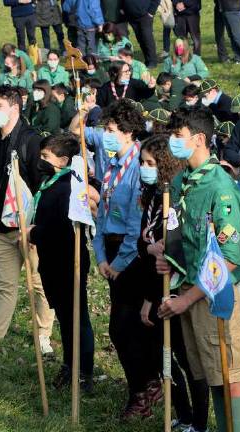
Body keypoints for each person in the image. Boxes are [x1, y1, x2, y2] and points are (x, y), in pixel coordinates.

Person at [154, 107, 240, 431]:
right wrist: (168, 258)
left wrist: (188, 298)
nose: (172, 142)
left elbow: (228, 257)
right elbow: (182, 235)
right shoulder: (183, 180)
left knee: (230, 376)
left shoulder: (220, 185)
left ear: (199, 139)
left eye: (177, 137)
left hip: (213, 297)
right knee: (211, 376)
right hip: (187, 290)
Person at [73, 99, 150, 415]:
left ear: (129, 133)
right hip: (113, 251)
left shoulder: (138, 167)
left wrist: (118, 264)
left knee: (125, 326)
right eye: (104, 129)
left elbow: (136, 221)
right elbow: (102, 212)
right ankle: (141, 386)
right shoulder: (110, 163)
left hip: (133, 257)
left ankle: (145, 388)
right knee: (121, 328)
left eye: (111, 130)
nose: (105, 135)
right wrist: (102, 255)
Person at [137, 135, 211, 425]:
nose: (146, 167)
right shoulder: (154, 196)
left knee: (188, 358)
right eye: (143, 162)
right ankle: (182, 412)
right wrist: (149, 248)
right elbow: (143, 243)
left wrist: (163, 249)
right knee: (163, 355)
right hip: (154, 285)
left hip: (178, 287)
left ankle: (200, 421)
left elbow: (178, 250)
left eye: (151, 163)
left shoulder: (175, 199)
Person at [0, 85, 54, 354]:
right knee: (4, 286)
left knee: (39, 284)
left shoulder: (31, 141)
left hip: (28, 228)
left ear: (15, 108)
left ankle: (43, 334)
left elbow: (45, 183)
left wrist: (36, 225)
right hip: (2, 227)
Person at [28, 133, 95, 392]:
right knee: (66, 320)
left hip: (69, 262)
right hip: (51, 263)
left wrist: (33, 232)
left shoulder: (69, 187)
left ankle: (83, 373)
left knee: (78, 318)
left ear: (64, 160)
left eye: (46, 156)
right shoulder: (51, 183)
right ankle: (69, 365)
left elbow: (59, 229)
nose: (41, 160)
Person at [215, 0, 240, 64]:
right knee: (231, 35)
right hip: (225, 7)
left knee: (237, 36)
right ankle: (238, 56)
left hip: (233, 7)